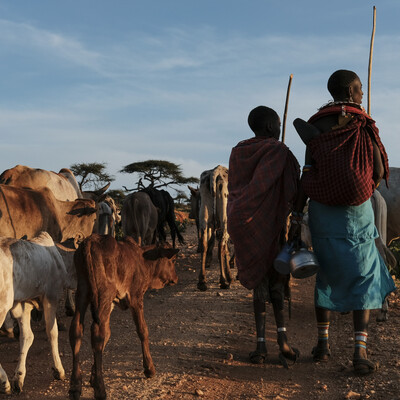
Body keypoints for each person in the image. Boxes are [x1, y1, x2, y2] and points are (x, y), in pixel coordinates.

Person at [290, 69, 396, 375]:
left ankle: (322, 345)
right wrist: (361, 189)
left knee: (326, 274)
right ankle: (359, 351)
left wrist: (297, 215)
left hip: (322, 212)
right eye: (359, 89)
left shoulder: (314, 126)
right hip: (357, 212)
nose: (362, 94)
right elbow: (376, 170)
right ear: (350, 92)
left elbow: (306, 174)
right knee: (363, 275)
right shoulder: (363, 125)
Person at [227, 105, 300, 366]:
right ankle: (282, 342)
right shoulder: (277, 150)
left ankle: (260, 345)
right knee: (276, 281)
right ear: (271, 127)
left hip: (241, 220)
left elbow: (238, 186)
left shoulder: (238, 151)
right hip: (269, 223)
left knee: (259, 281)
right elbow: (293, 187)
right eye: (279, 124)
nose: (280, 129)